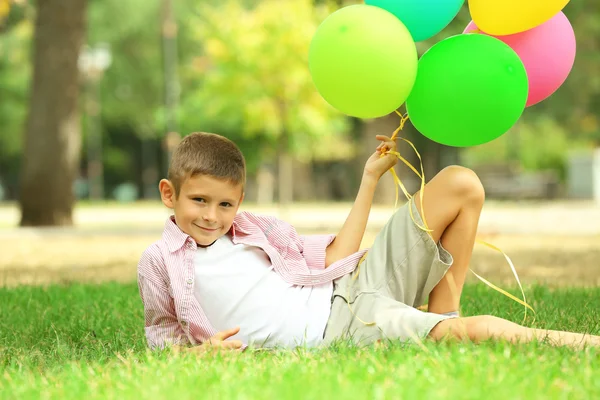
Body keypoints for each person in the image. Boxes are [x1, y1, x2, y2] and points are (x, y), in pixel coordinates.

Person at [137, 132, 600, 353]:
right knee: (477, 332)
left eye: (225, 204)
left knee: (461, 183)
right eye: (199, 200)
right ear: (169, 194)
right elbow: (161, 337)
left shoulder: (254, 230)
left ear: (239, 201)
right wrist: (201, 355)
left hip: (352, 284)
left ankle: (443, 316)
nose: (212, 216)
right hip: (343, 327)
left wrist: (368, 178)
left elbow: (336, 257)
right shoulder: (161, 261)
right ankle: (582, 344)